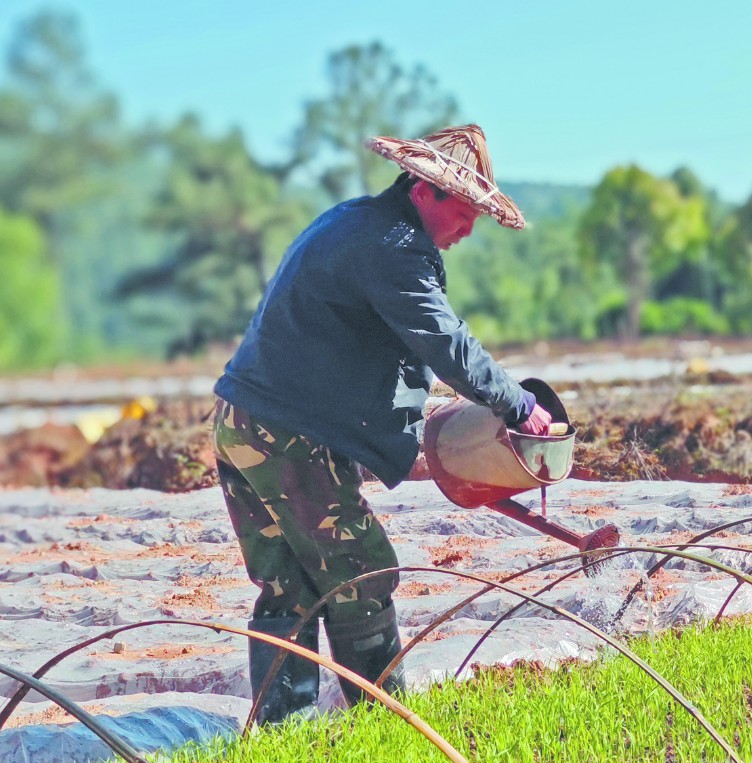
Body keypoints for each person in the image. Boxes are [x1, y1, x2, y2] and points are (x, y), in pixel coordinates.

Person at [211, 124, 554, 724]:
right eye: (467, 212)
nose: (470, 229)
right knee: (363, 574)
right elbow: (445, 340)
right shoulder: (394, 246)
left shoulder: (354, 221)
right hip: (289, 436)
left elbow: (382, 343)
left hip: (242, 421)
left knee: (288, 585)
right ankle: (387, 727)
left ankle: (282, 737)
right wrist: (519, 405)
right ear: (425, 191)